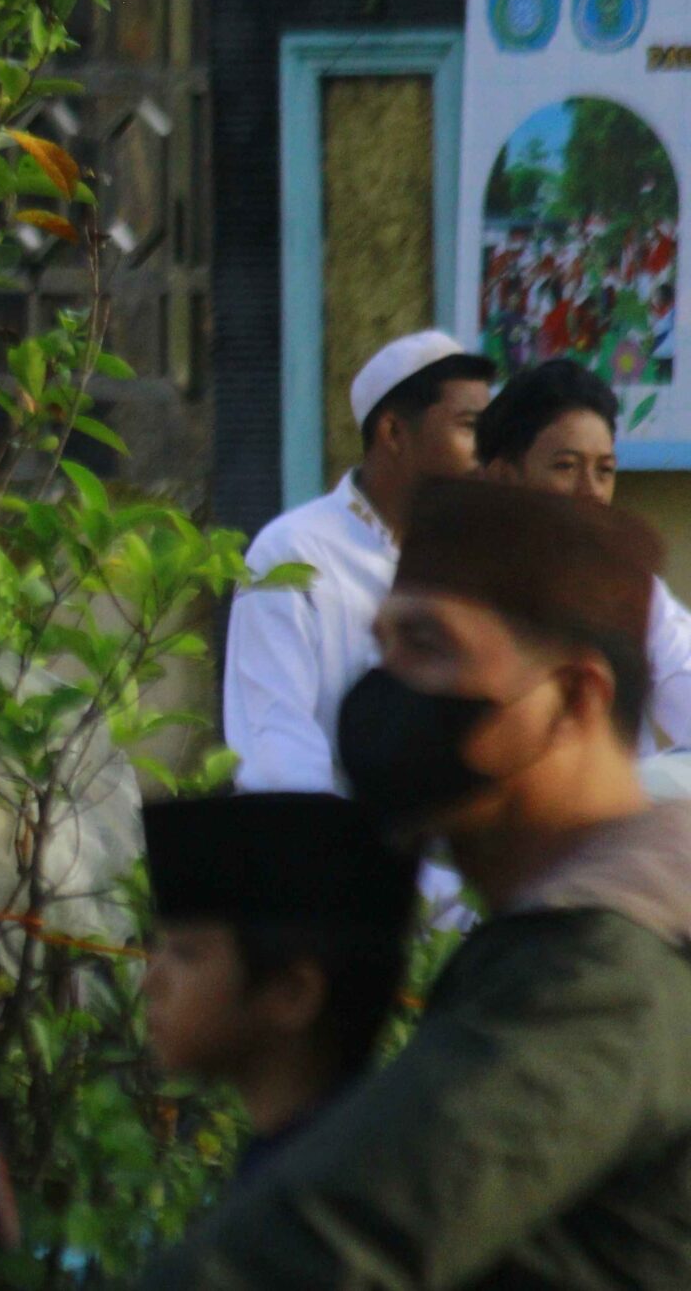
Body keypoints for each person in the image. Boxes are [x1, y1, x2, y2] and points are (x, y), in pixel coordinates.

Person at [144, 479, 691, 1287]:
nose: (385, 689)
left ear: (574, 697)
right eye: (384, 645)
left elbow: (338, 1236)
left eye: (428, 646)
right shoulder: (561, 934)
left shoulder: (600, 967)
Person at [222, 330, 495, 794]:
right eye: (469, 427)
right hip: (335, 846)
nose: (485, 454)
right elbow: (278, 752)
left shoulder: (478, 556)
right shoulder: (292, 553)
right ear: (393, 432)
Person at [138, 794, 418, 1186]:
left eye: (186, 954)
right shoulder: (330, 1161)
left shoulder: (315, 1203)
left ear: (292, 994)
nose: (148, 982)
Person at [476, 355, 691, 749]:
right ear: (504, 478)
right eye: (566, 466)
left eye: (604, 470)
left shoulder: (634, 592)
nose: (591, 490)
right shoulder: (460, 594)